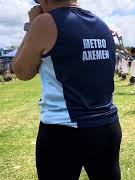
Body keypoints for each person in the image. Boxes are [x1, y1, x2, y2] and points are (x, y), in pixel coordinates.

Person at [11, 0, 121, 179]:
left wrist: (32, 25)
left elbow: (21, 71)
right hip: (107, 125)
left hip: (63, 130)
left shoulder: (45, 21)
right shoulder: (100, 24)